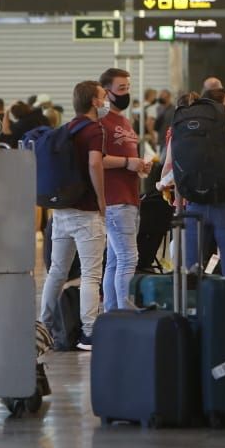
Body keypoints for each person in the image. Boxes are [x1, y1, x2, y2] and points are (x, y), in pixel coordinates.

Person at [38, 81, 109, 350]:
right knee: (91, 274)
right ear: (93, 101)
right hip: (86, 213)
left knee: (57, 270)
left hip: (61, 211)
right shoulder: (94, 129)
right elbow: (94, 163)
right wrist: (102, 199)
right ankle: (89, 332)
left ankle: (44, 326)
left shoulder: (68, 128)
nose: (106, 100)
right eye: (103, 96)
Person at [161, 87, 225, 270]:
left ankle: (195, 298)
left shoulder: (183, 133)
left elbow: (176, 170)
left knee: (192, 268)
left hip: (194, 204)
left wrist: (179, 210)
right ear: (217, 109)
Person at [100, 68, 146, 313]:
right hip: (115, 199)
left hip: (130, 196)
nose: (126, 93)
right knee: (129, 259)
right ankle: (125, 314)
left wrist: (138, 164)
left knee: (116, 261)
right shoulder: (101, 122)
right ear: (107, 92)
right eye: (121, 89)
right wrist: (128, 163)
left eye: (128, 88)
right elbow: (96, 159)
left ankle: (112, 313)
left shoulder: (125, 121)